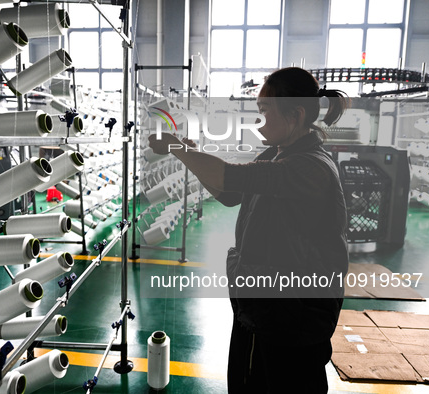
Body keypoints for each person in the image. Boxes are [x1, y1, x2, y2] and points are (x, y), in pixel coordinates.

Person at [148, 67, 349, 393]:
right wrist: (188, 155)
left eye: (264, 112)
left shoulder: (310, 166)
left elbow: (229, 177)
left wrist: (178, 148)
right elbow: (229, 193)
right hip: (266, 309)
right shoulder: (280, 152)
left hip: (292, 318)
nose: (259, 121)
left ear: (295, 115)